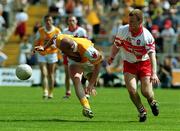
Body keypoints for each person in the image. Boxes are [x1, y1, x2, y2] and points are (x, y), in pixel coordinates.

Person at [108, 9, 160, 122]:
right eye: (129, 20)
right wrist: (111, 57)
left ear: (140, 21)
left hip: (144, 63)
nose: (129, 24)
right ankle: (142, 111)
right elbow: (116, 45)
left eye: (132, 21)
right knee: (131, 89)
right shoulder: (123, 30)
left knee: (146, 92)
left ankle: (152, 101)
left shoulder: (147, 36)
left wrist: (154, 73)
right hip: (128, 63)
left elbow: (152, 56)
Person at [35, 34, 103, 118]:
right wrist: (44, 47)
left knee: (94, 82)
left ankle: (89, 80)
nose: (63, 53)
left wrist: (91, 83)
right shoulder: (59, 40)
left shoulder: (89, 51)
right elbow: (54, 37)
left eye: (66, 52)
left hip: (88, 61)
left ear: (72, 49)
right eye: (63, 51)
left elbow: (98, 64)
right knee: (76, 79)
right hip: (75, 62)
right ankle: (86, 107)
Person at [34, 14, 61, 99]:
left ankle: (51, 92)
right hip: (42, 54)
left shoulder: (57, 31)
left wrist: (55, 46)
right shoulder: (40, 30)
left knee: (51, 74)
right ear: (44, 21)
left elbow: (60, 43)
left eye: (50, 20)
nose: (48, 22)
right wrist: (36, 49)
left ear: (52, 21)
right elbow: (36, 41)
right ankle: (45, 91)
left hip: (52, 54)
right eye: (46, 20)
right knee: (44, 73)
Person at [62, 15, 88, 98]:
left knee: (83, 74)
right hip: (68, 55)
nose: (71, 22)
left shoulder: (82, 31)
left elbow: (86, 43)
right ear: (67, 22)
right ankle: (68, 92)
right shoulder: (64, 31)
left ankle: (85, 91)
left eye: (73, 20)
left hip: (80, 55)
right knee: (67, 74)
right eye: (69, 20)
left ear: (76, 21)